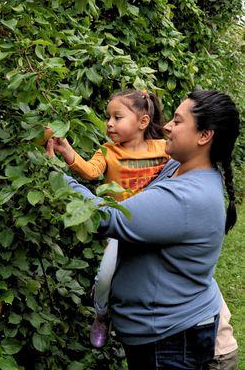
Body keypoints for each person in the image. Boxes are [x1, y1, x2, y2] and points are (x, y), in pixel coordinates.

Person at [48, 89, 240, 369]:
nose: (166, 127)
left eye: (177, 121)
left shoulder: (188, 197)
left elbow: (108, 218)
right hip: (165, 336)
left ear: (204, 136)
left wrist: (50, 174)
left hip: (172, 342)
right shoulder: (177, 165)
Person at [47, 89, 170, 348]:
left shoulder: (164, 149)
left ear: (143, 122)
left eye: (117, 117)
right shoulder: (108, 152)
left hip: (154, 225)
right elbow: (91, 172)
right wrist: (67, 151)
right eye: (108, 118)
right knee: (105, 277)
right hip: (121, 228)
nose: (110, 123)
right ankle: (102, 314)